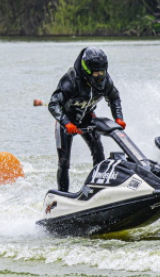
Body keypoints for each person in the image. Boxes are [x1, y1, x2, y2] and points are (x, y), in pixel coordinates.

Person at [48, 47, 126, 192]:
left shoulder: (105, 80)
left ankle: (99, 189)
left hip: (87, 118)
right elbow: (53, 104)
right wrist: (66, 123)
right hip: (66, 121)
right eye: (96, 72)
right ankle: (63, 195)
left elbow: (114, 98)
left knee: (99, 152)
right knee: (64, 162)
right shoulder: (70, 81)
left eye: (102, 71)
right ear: (86, 70)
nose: (99, 75)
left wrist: (119, 118)